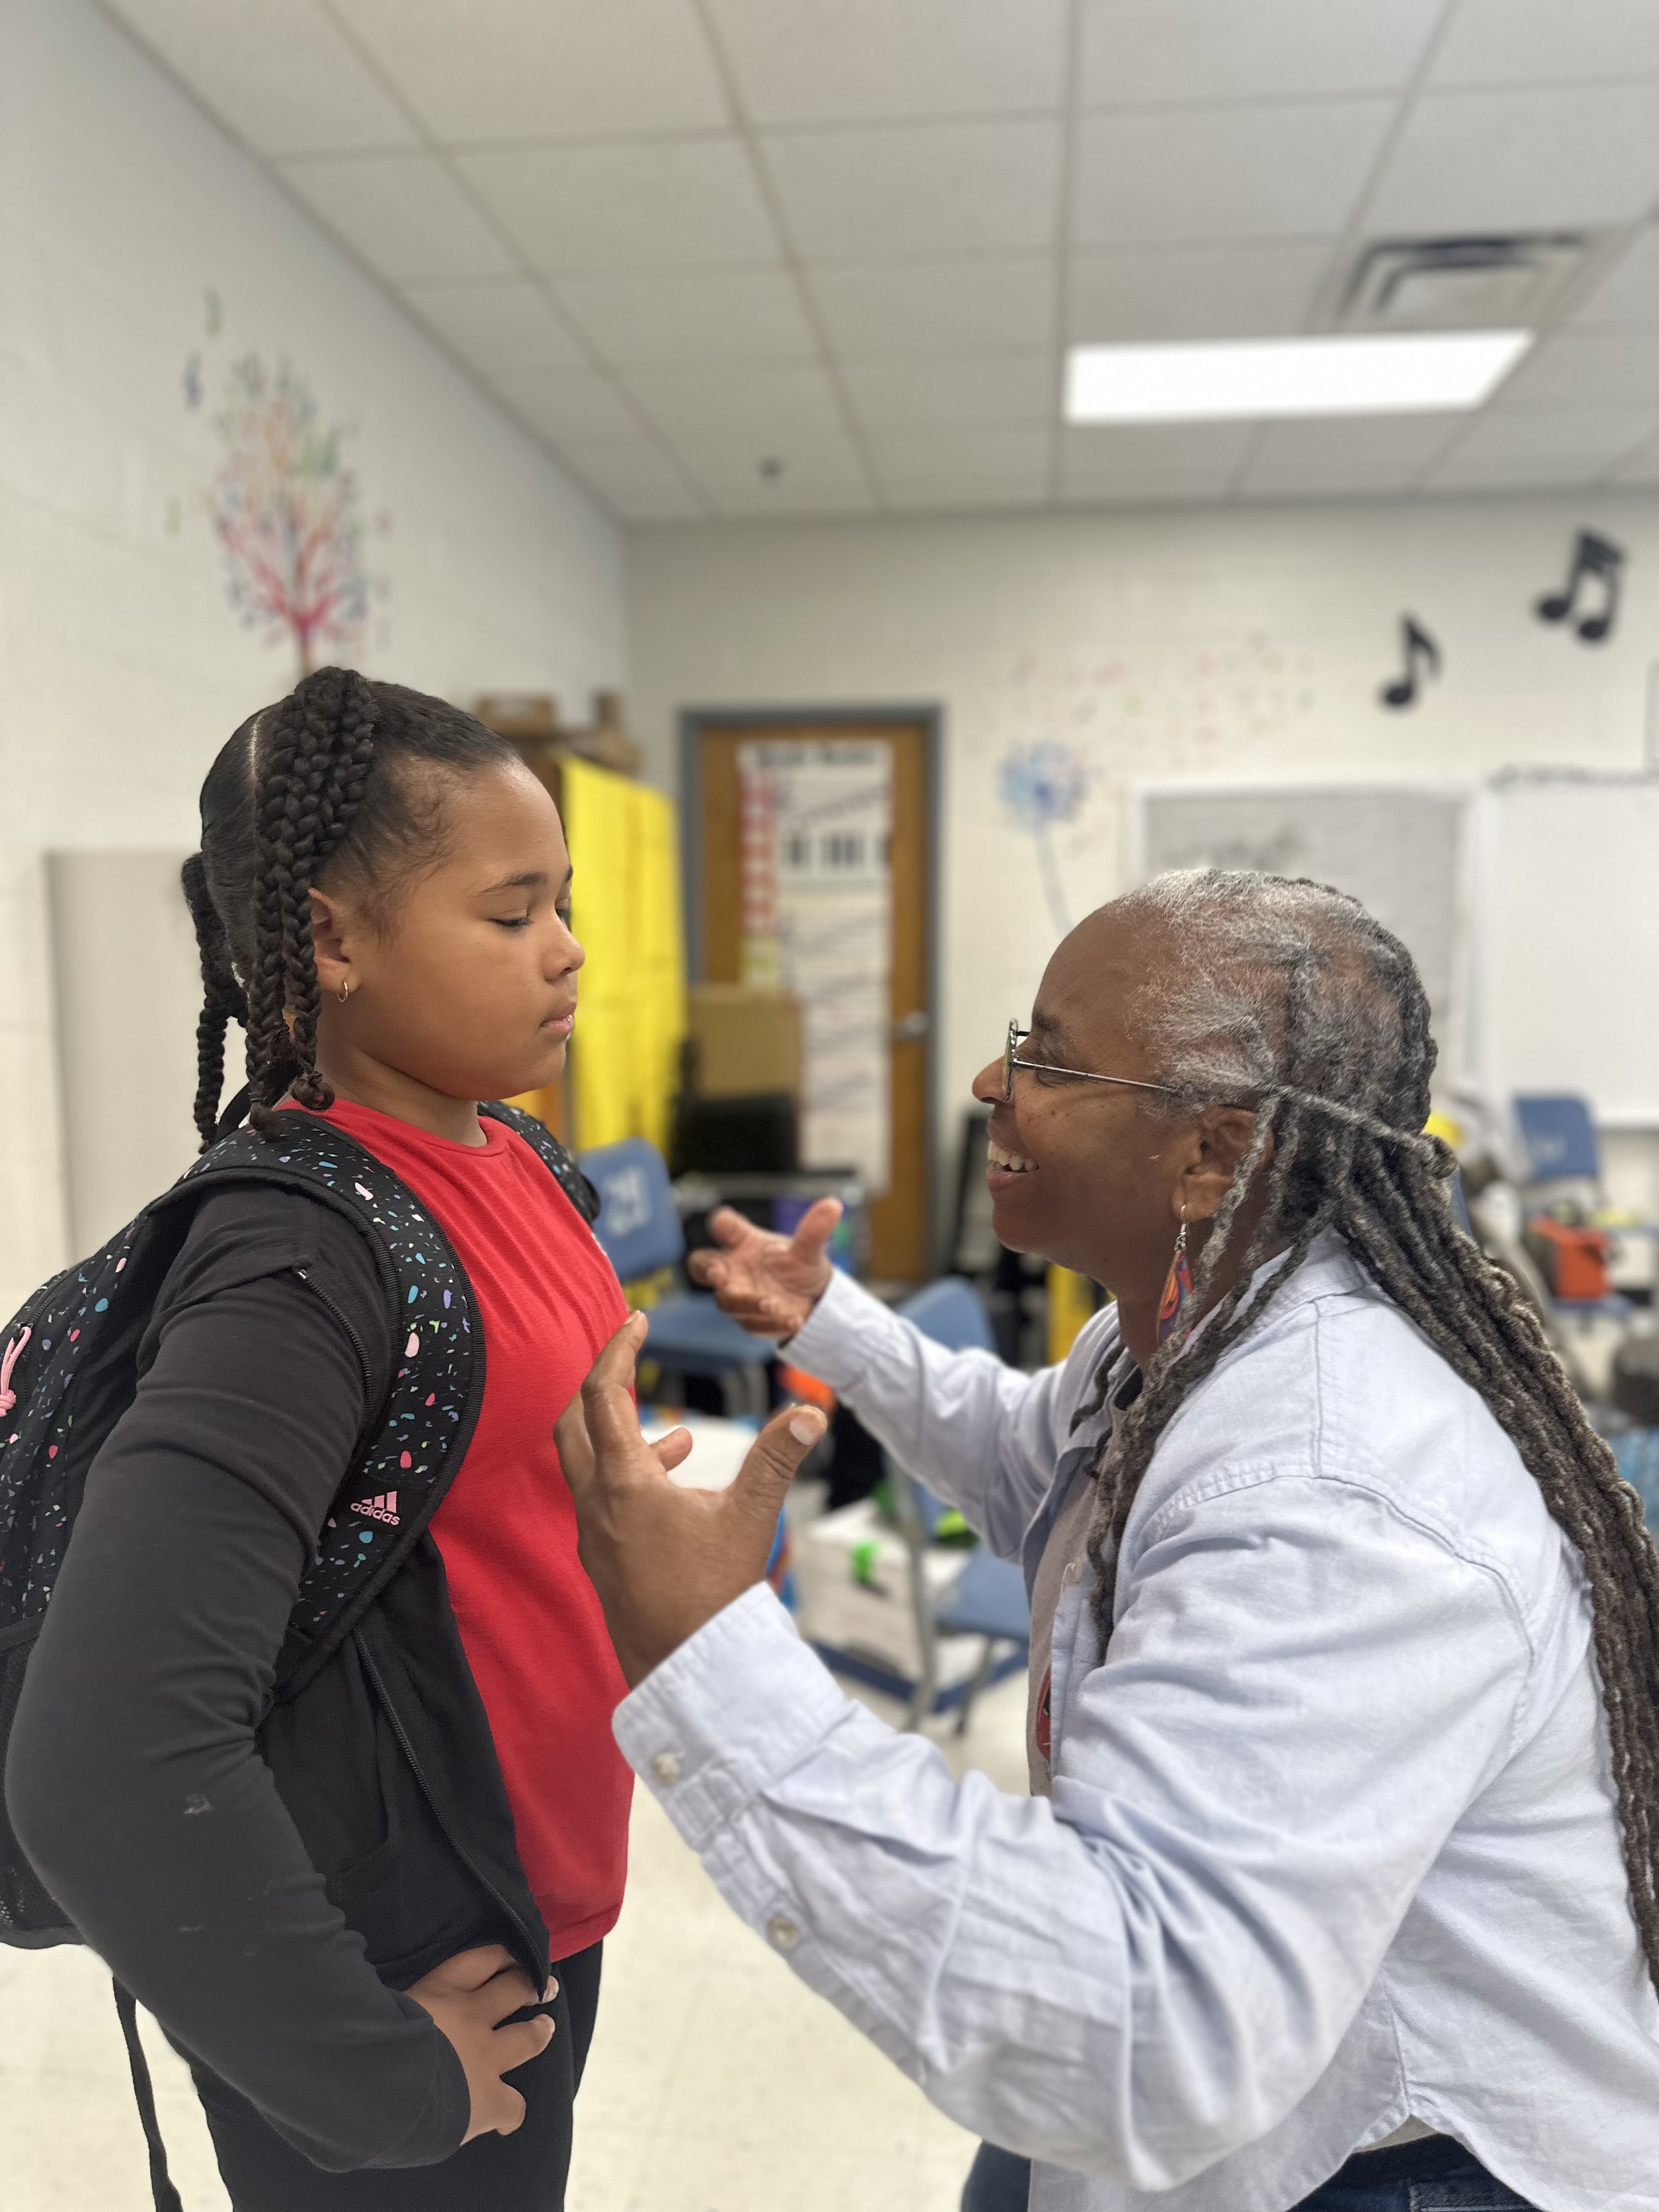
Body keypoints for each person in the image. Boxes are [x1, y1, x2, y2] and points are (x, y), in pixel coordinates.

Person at [555, 872, 1659, 2212]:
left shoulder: (1333, 1487)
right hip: (1243, 2090)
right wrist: (830, 1323)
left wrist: (710, 1653)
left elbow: (1151, 2027)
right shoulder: (1189, 1321)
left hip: (1391, 2160)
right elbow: (1028, 1456)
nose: (990, 1084)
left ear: (1211, 1153)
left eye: (1050, 1061)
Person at [7, 669, 631, 2209]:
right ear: (333, 938)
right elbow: (104, 1758)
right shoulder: (295, 1263)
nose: (565, 949)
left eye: (560, 902)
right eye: (512, 913)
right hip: (398, 1958)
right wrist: (375, 2071)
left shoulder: (513, 1151)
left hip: (534, 1893)